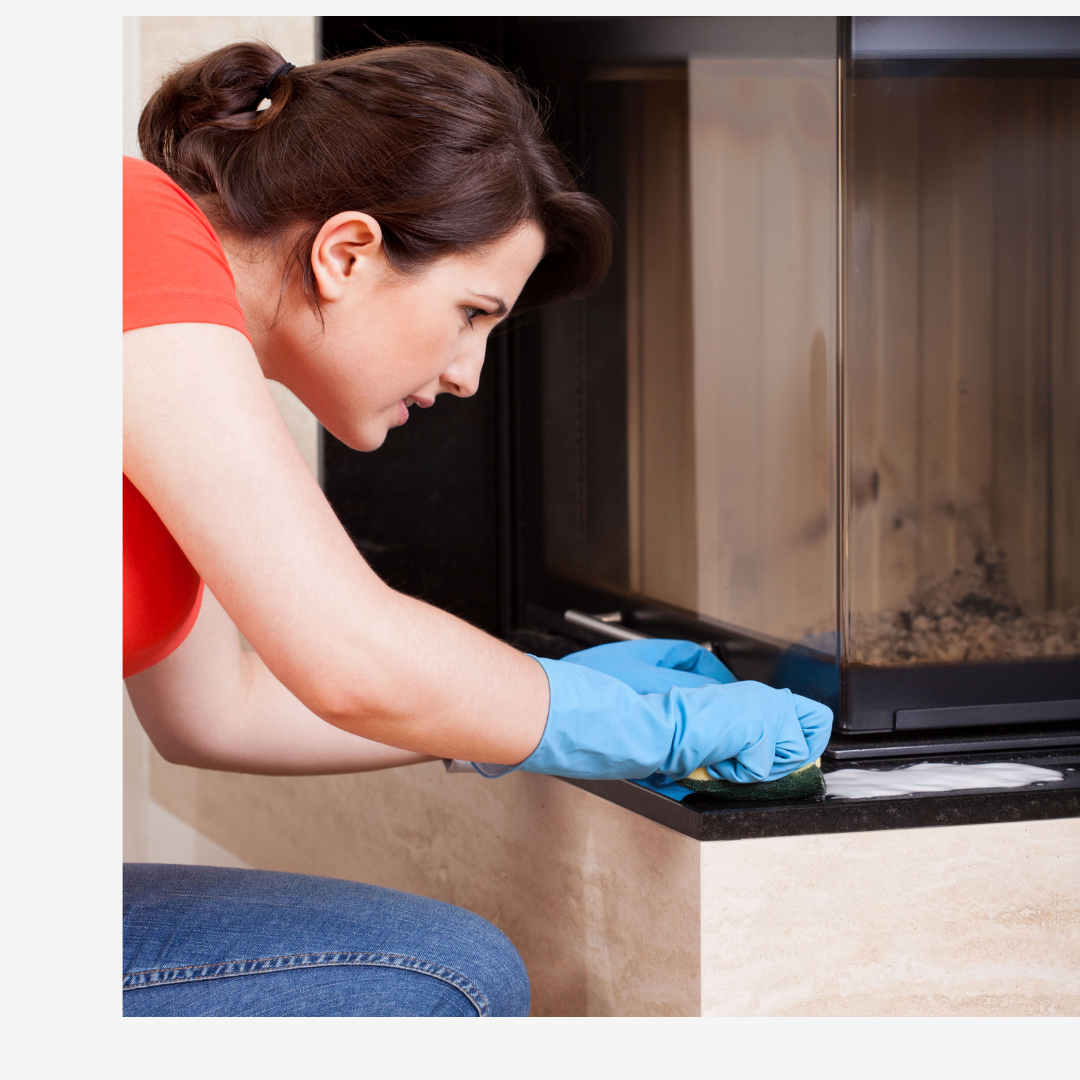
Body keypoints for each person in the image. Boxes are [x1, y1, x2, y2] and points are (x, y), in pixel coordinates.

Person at [123, 41, 832, 1017]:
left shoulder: (162, 358)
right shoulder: (128, 233)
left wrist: (526, 699)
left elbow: (216, 711)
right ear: (346, 253)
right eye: (471, 314)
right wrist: (620, 722)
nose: (469, 375)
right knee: (452, 977)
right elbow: (349, 657)